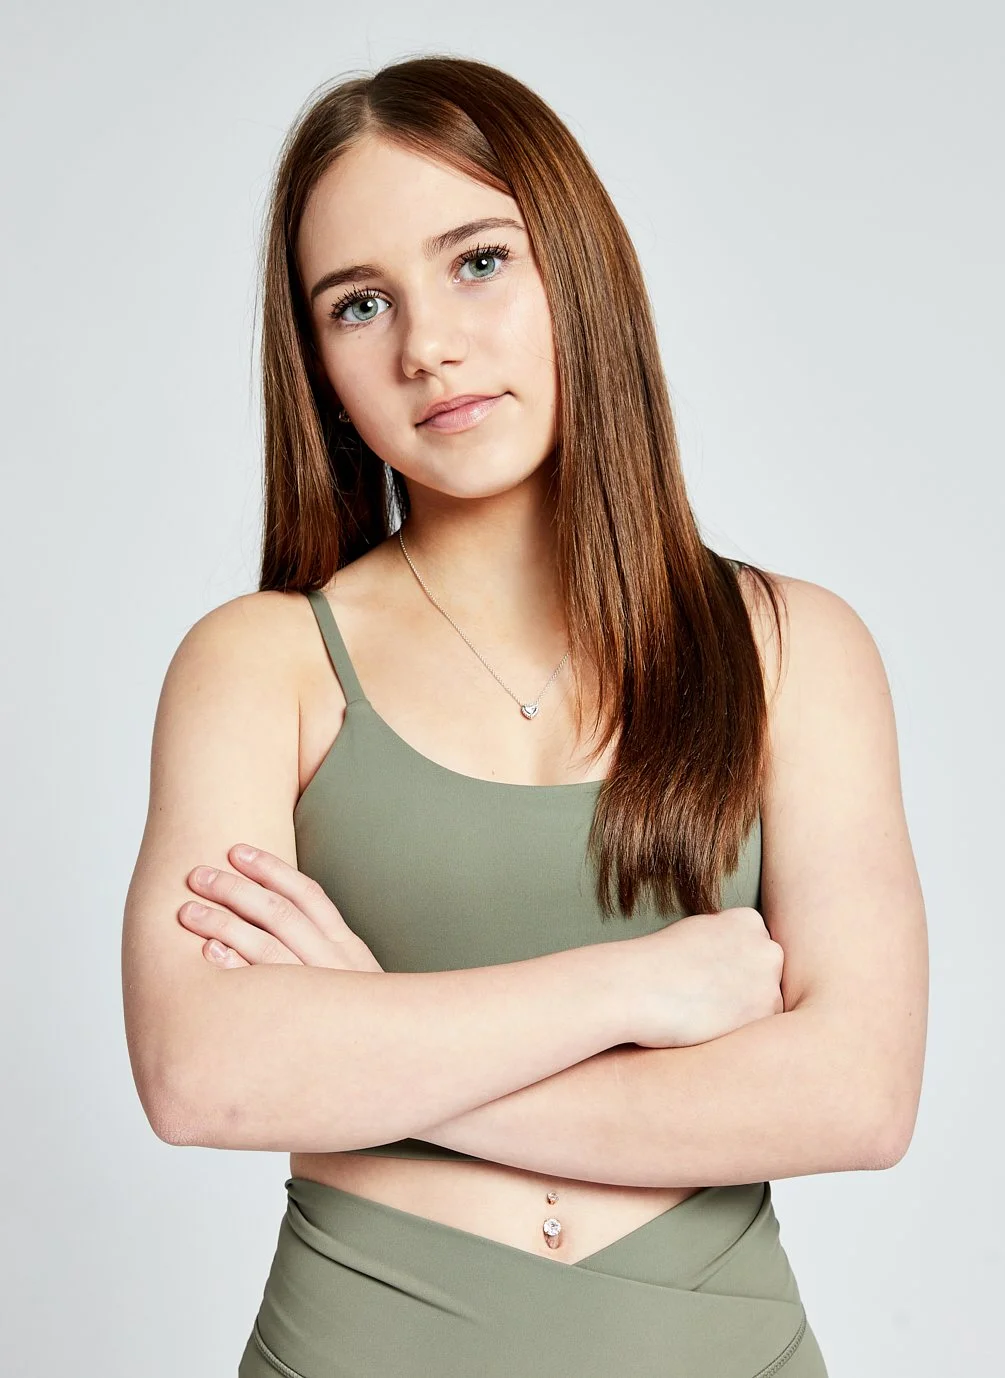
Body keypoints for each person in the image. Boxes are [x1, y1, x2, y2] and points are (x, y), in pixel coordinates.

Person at [121, 54, 928, 1378]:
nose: (426, 343)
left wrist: (373, 1040)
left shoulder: (790, 648)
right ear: (318, 364)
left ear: (578, 269)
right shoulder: (261, 663)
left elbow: (858, 1090)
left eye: (479, 261)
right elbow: (202, 1074)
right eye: (358, 302)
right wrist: (640, 985)